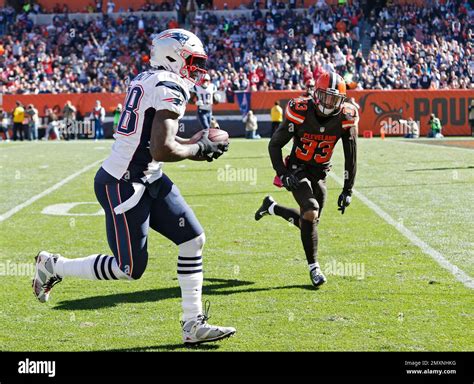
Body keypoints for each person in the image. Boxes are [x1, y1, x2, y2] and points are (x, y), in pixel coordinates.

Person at [32, 28, 235, 346]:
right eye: (192, 61)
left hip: (146, 176)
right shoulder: (169, 87)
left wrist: (193, 142)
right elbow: (161, 149)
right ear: (173, 56)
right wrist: (199, 149)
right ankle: (53, 265)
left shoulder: (147, 78)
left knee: (192, 239)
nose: (197, 69)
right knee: (129, 269)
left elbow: (151, 141)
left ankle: (192, 323)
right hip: (124, 184)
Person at [254, 71, 358, 287]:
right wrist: (283, 174)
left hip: (320, 172)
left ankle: (272, 207)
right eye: (326, 97)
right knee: (310, 209)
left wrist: (348, 189)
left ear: (342, 101)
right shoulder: (300, 110)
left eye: (334, 99)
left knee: (309, 222)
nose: (329, 104)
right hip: (297, 168)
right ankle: (314, 268)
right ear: (316, 94)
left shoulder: (346, 117)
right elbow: (274, 144)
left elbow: (351, 156)